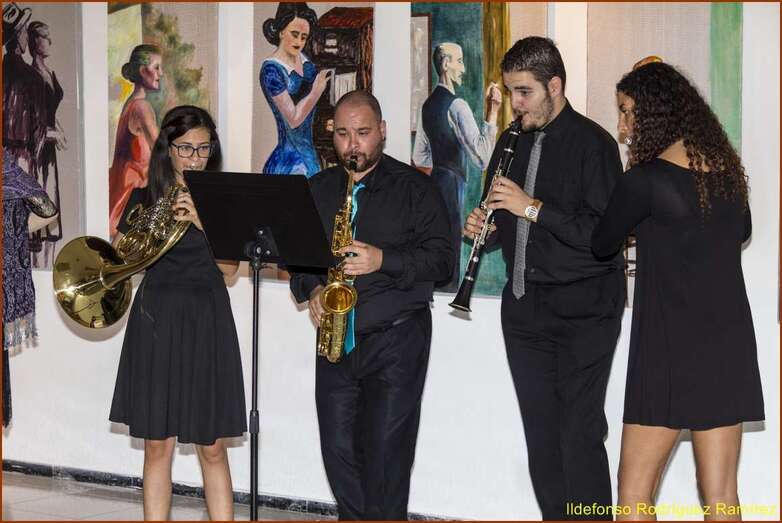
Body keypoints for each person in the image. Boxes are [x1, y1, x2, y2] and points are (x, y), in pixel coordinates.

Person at [592, 61, 764, 520]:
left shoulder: (645, 181)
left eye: (627, 112)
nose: (623, 126)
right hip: (727, 344)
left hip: (667, 348)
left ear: (654, 114)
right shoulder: (728, 176)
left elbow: (602, 243)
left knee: (633, 495)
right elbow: (742, 230)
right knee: (722, 494)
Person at [463, 37, 624, 519]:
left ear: (554, 86)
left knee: (579, 434)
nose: (515, 103)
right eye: (512, 91)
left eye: (524, 92)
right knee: (542, 438)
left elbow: (603, 237)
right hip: (524, 309)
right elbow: (505, 223)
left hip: (584, 311)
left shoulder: (594, 145)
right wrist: (485, 227)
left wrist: (530, 207)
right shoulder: (510, 142)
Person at [289, 90, 453, 519]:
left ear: (382, 131)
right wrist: (313, 290)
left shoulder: (416, 188)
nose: (352, 145)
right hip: (336, 340)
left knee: (386, 460)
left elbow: (443, 262)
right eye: (343, 134)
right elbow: (298, 259)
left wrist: (383, 260)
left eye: (362, 133)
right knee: (338, 453)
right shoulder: (319, 189)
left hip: (396, 340)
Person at [109, 106, 247, 520]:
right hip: (157, 317)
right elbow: (121, 261)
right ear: (167, 149)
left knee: (212, 446)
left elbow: (230, 270)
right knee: (157, 445)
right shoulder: (143, 197)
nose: (195, 158)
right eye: (186, 148)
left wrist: (205, 222)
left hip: (206, 318)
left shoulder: (223, 201)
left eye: (203, 149)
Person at [413, 42, 501, 289]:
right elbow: (482, 158)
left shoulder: (427, 106)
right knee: (449, 251)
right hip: (452, 186)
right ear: (445, 64)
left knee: (436, 248)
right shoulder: (457, 105)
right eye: (459, 61)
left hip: (434, 185)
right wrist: (493, 111)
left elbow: (420, 157)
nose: (463, 68)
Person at [3, 151, 59, 427]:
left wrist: (13, 232)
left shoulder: (7, 172)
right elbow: (47, 211)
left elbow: (48, 211)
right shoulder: (8, 172)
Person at [260, 2, 331, 177]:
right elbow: (293, 119)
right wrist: (316, 91)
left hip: (310, 156)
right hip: (289, 162)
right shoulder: (271, 70)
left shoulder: (307, 62)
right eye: (294, 34)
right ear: (281, 31)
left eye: (304, 37)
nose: (299, 42)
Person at [109, 44, 163, 237]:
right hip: (132, 197)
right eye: (156, 67)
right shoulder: (141, 107)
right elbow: (162, 149)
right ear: (142, 71)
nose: (160, 74)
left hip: (126, 190)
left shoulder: (131, 103)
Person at [27, 20, 67, 267]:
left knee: (52, 206)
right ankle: (37, 268)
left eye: (49, 36)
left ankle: (48, 268)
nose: (49, 41)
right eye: (44, 37)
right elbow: (32, 120)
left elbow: (50, 112)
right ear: (34, 41)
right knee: (40, 207)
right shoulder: (31, 76)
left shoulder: (49, 73)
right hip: (38, 150)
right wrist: (53, 134)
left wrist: (59, 131)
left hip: (50, 150)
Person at [2, 2, 46, 176]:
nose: (27, 38)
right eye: (25, 32)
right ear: (19, 36)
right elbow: (39, 129)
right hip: (23, 159)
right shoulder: (33, 77)